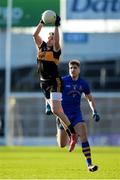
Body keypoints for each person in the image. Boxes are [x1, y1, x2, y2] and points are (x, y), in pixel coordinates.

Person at [32, 14, 77, 152]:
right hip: (43, 83)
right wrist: (42, 21)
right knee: (56, 110)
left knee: (56, 110)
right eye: (49, 36)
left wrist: (56, 26)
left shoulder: (56, 50)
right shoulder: (42, 47)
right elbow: (35, 35)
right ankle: (49, 105)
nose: (51, 38)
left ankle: (73, 134)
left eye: (52, 37)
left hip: (54, 82)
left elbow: (57, 41)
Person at [46, 59, 100, 172]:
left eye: (75, 68)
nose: (73, 70)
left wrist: (94, 111)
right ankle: (59, 128)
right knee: (62, 144)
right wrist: (48, 105)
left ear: (79, 70)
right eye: (71, 68)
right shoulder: (63, 81)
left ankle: (89, 164)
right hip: (63, 115)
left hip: (76, 115)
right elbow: (50, 92)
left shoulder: (83, 83)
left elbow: (89, 98)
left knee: (84, 134)